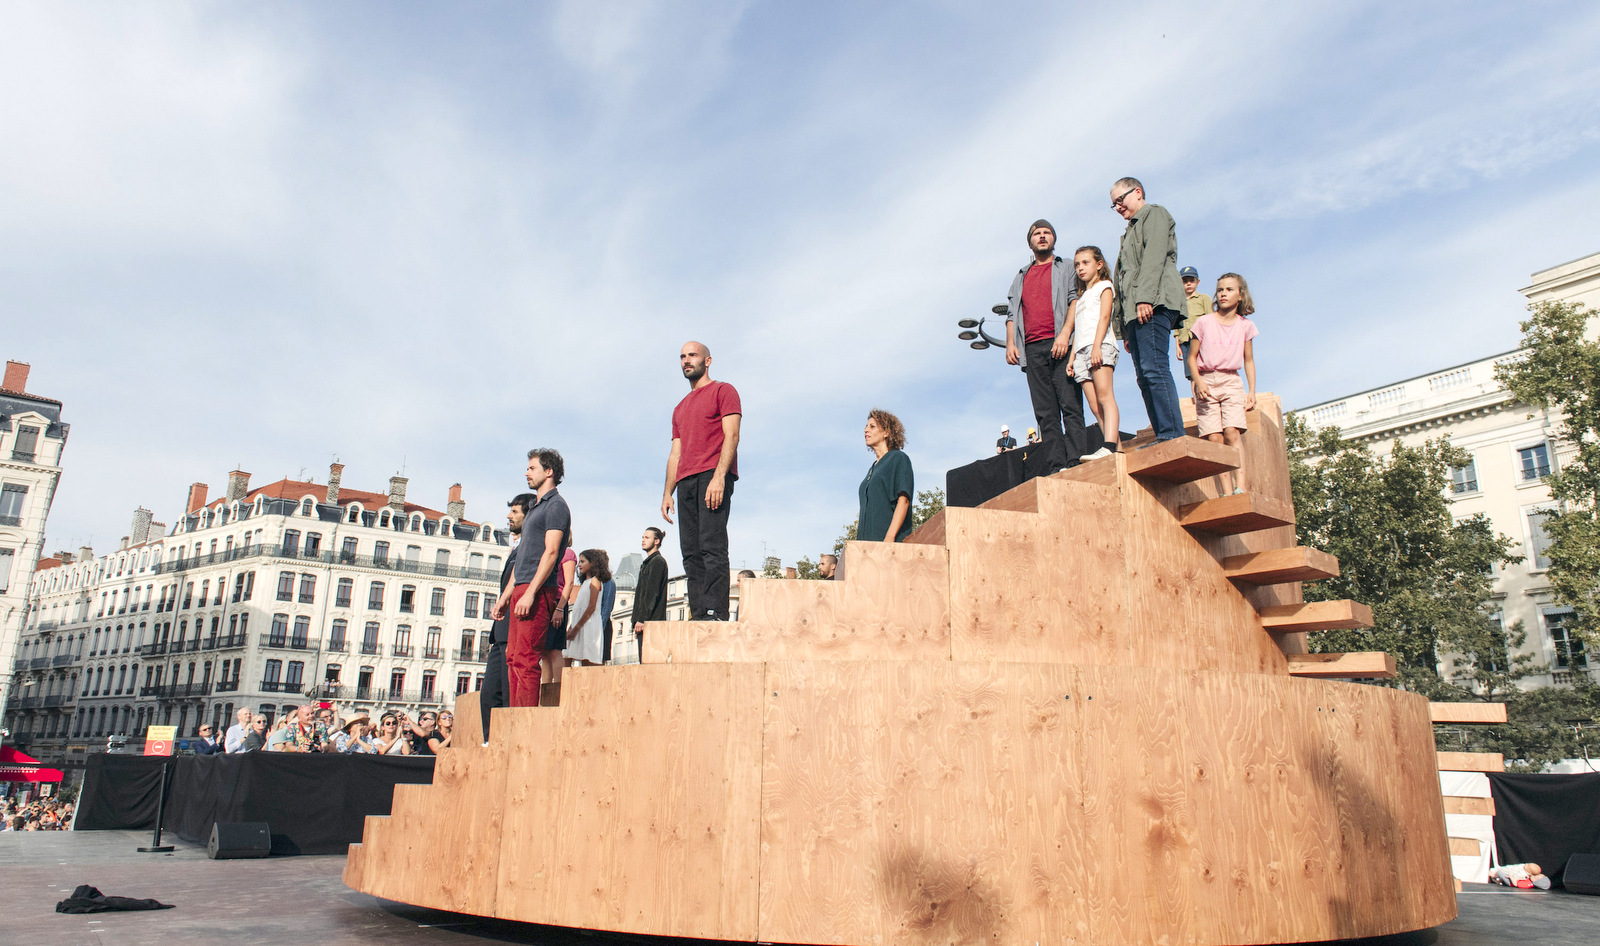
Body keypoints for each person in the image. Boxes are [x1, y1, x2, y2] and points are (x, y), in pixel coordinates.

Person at [661, 341, 741, 621]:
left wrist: (720, 477)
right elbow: (676, 452)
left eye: (692, 355)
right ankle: (698, 614)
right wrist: (667, 492)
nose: (686, 360)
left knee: (711, 545)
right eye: (682, 356)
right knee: (690, 552)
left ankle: (715, 611)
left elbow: (732, 436)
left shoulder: (724, 390)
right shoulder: (679, 408)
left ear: (707, 361)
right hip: (685, 482)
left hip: (712, 475)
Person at [491, 448, 571, 708]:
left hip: (537, 591)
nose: (526, 472)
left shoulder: (557, 506)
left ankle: (523, 722)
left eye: (532, 467)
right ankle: (514, 719)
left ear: (549, 472)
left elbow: (550, 554)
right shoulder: (535, 507)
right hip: (521, 589)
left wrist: (531, 592)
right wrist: (505, 597)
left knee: (526, 659)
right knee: (513, 657)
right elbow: (523, 556)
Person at [1110, 178, 1187, 444]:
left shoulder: (1154, 214)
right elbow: (1122, 280)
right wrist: (1124, 330)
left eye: (1121, 200)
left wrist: (1145, 299)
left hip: (1154, 302)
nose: (1118, 207)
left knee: (1155, 368)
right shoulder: (1128, 233)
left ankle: (1172, 435)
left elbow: (1154, 257)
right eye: (1114, 204)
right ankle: (1163, 433)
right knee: (1144, 376)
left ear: (1138, 192)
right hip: (1136, 312)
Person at [1004, 219, 1085, 471]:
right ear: (1030, 242)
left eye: (1047, 233)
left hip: (1061, 344)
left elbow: (1075, 301)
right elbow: (1011, 314)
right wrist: (1010, 344)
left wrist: (1065, 335)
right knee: (1045, 413)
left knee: (1070, 405)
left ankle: (1076, 460)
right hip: (1032, 349)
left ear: (1053, 239)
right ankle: (1056, 465)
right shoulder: (1021, 276)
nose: (1042, 236)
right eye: (1037, 233)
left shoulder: (1067, 267)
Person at [1185, 273, 1258, 494]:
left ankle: (1241, 486)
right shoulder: (1204, 322)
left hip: (1231, 381)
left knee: (1232, 432)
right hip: (1206, 380)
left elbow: (1248, 360)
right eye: (1220, 290)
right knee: (1214, 438)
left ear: (1240, 295)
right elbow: (1191, 357)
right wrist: (1198, 382)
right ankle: (1226, 492)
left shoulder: (1246, 326)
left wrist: (1252, 390)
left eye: (1229, 289)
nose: (1223, 293)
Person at [481, 494, 529, 741]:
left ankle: (504, 742)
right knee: (489, 694)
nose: (509, 516)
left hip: (513, 628)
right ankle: (490, 741)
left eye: (515, 512)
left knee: (507, 692)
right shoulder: (517, 548)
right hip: (500, 631)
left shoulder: (531, 547)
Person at [1068, 245, 1122, 460]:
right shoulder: (1081, 299)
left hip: (1099, 346)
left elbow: (1105, 317)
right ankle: (1116, 449)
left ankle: (1108, 445)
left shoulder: (1105, 287)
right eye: (1077, 265)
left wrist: (1098, 346)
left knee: (1104, 394)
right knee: (1093, 404)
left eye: (1085, 262)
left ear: (1099, 264)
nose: (1080, 268)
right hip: (1080, 351)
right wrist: (1071, 358)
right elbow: (1078, 331)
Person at [858, 409, 914, 543]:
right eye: (866, 426)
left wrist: (889, 538)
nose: (866, 430)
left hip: (889, 545)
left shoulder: (898, 458)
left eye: (872, 426)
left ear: (886, 432)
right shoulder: (872, 470)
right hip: (865, 549)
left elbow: (904, 500)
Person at [543, 545, 578, 704]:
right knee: (545, 652)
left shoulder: (567, 553)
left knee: (555, 650)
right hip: (546, 603)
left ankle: (557, 690)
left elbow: (569, 582)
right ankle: (545, 691)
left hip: (558, 603)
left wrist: (559, 608)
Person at [564, 550, 610, 667]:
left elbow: (591, 607)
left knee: (589, 659)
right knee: (568, 655)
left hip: (588, 625)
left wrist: (576, 628)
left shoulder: (595, 581)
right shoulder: (585, 583)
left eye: (583, 561)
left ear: (593, 563)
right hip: (579, 624)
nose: (579, 565)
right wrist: (571, 626)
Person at [631, 527, 668, 659]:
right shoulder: (648, 563)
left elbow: (652, 594)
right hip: (645, 623)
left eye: (647, 538)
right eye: (642, 537)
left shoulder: (657, 562)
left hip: (651, 623)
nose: (643, 540)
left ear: (656, 541)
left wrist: (641, 619)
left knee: (649, 662)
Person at [1175, 265, 1211, 381]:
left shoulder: (1203, 298)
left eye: (1192, 280)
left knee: (1205, 369)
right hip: (1185, 341)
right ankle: (1197, 398)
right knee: (1191, 373)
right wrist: (1177, 346)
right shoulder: (1178, 303)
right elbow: (1176, 326)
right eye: (1185, 281)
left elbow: (1211, 319)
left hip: (1202, 340)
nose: (1188, 284)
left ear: (1198, 282)